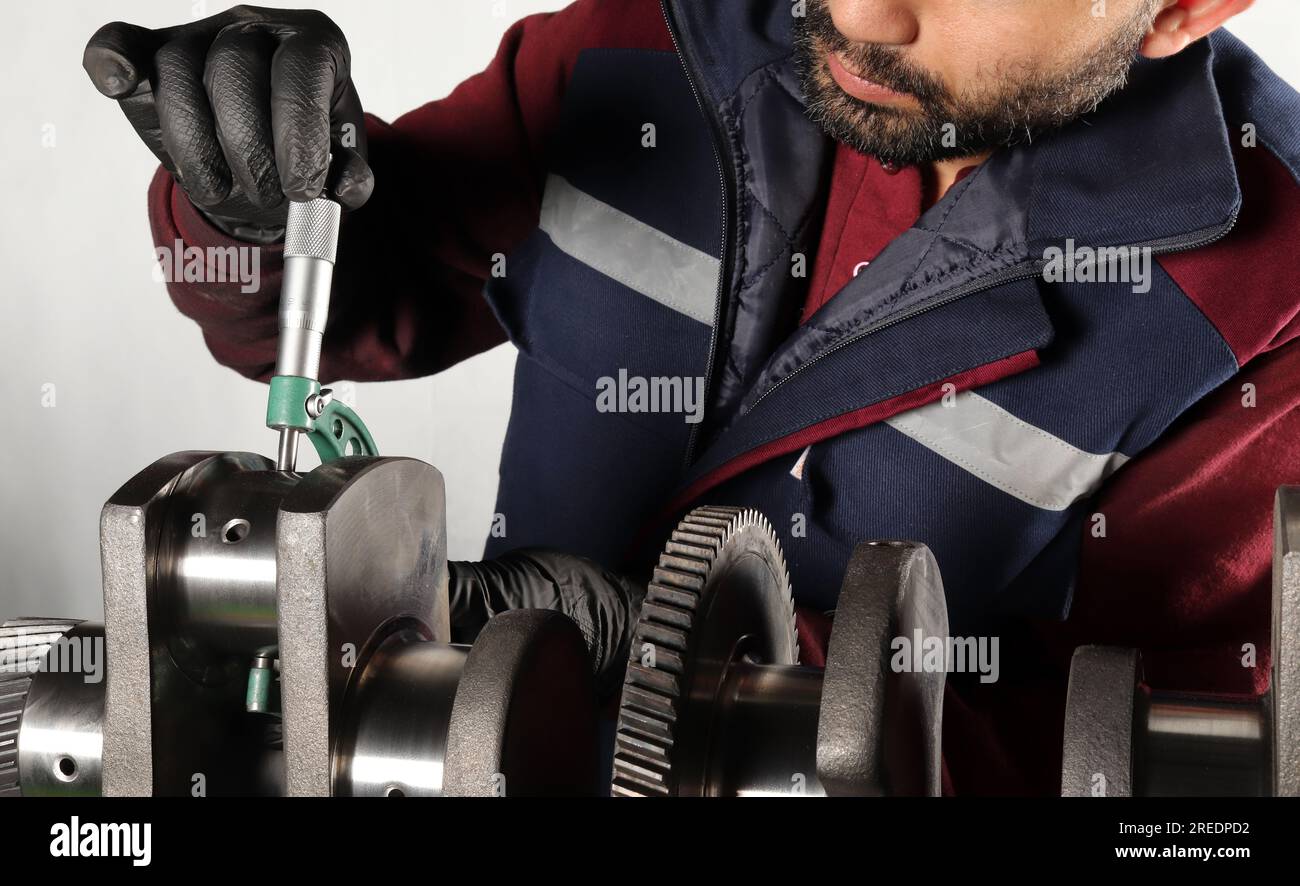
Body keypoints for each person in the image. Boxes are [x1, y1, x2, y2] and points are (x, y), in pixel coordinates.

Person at [83, 0, 1299, 794]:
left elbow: (1181, 788)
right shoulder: (651, 39)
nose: (860, 11)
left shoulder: (1267, 310)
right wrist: (251, 204)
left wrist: (672, 671)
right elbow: (359, 296)